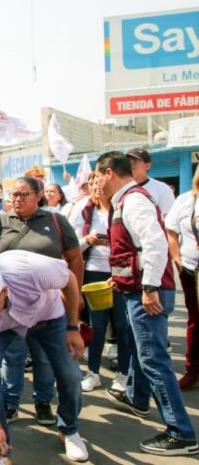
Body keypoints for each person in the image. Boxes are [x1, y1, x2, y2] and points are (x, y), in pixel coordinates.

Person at [95, 151, 197, 456]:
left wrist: (149, 286)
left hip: (147, 293)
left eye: (99, 175)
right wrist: (122, 278)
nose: (96, 182)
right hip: (137, 289)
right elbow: (133, 249)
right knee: (146, 356)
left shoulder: (134, 200)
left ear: (109, 173)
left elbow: (154, 242)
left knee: (154, 360)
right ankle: (140, 401)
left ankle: (181, 432)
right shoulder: (126, 200)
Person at [0, 176, 83, 426]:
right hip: (8, 310)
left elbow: (74, 259)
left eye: (24, 194)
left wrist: (75, 301)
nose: (17, 199)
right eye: (14, 195)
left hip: (47, 311)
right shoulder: (0, 220)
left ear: (38, 195)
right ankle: (11, 404)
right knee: (13, 357)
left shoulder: (56, 220)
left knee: (48, 362)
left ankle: (45, 404)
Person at [0, 250, 88, 461]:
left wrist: (73, 327)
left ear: (4, 291)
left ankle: (69, 429)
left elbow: (69, 279)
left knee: (70, 375)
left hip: (46, 318)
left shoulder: (31, 270)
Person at [71, 172, 129, 393]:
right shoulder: (84, 210)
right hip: (94, 274)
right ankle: (93, 372)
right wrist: (88, 240)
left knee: (122, 327)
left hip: (120, 275)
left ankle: (123, 375)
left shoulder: (123, 208)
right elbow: (73, 246)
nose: (96, 187)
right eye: (93, 183)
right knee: (97, 326)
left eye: (100, 182)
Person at [165, 164, 199, 390]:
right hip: (191, 270)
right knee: (196, 322)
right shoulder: (186, 200)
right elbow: (171, 232)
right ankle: (193, 369)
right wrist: (178, 262)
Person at [126, 147, 175, 214]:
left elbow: (168, 217)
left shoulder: (162, 188)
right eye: (128, 161)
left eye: (135, 161)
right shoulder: (120, 188)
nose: (131, 164)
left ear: (147, 166)